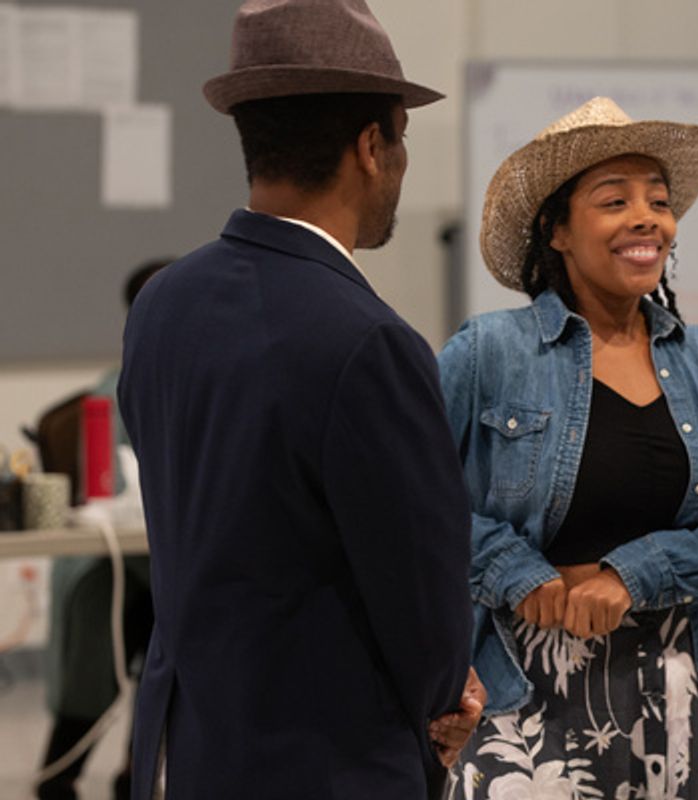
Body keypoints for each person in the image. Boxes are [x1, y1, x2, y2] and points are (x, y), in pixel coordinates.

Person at [116, 1, 481, 798]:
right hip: (323, 759)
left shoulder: (161, 305)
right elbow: (423, 597)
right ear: (371, 147)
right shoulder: (369, 341)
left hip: (187, 750)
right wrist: (447, 693)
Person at [438, 97, 698, 799]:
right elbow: (409, 504)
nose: (646, 218)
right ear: (558, 231)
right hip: (513, 692)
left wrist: (635, 574)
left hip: (669, 692)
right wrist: (515, 571)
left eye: (658, 202)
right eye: (614, 200)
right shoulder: (488, 353)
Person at [36, 260, 165, 800]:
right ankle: (61, 774)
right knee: (146, 620)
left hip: (155, 567)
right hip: (107, 565)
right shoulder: (112, 395)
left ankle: (135, 772)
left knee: (169, 626)